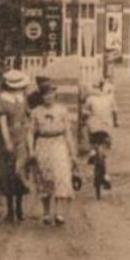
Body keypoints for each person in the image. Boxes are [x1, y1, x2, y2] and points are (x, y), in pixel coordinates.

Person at [28, 78, 77, 226]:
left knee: (61, 175)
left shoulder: (62, 110)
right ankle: (46, 212)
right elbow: (30, 132)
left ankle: (59, 213)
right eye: (45, 95)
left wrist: (72, 152)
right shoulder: (36, 112)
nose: (48, 97)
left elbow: (68, 132)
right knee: (44, 177)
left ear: (54, 95)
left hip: (59, 143)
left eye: (50, 94)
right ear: (41, 97)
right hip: (43, 144)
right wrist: (31, 150)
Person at [0, 69, 32, 222]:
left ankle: (20, 208)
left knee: (20, 171)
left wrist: (28, 135)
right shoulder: (2, 99)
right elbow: (2, 123)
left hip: (22, 135)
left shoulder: (22, 98)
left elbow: (27, 118)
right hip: (9, 136)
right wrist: (7, 142)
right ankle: (10, 210)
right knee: (8, 173)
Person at [81, 78, 117, 194]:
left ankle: (92, 150)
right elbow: (114, 112)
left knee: (88, 131)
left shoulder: (90, 99)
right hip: (106, 126)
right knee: (107, 148)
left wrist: (83, 120)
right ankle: (106, 174)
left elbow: (85, 113)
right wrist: (116, 122)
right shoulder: (109, 99)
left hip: (94, 126)